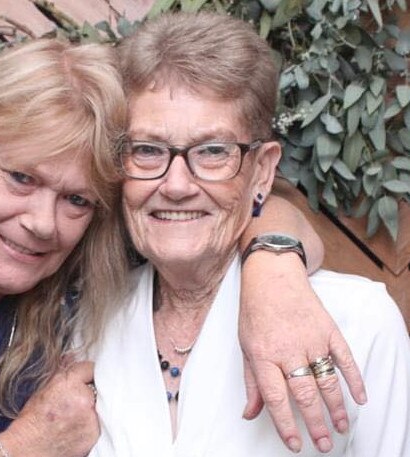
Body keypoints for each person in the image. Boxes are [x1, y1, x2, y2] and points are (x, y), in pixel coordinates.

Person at [0, 35, 353, 457]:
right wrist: (24, 445)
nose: (43, 223)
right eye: (21, 177)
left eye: (77, 200)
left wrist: (272, 271)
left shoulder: (77, 277)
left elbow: (231, 201)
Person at [88, 12, 410, 457]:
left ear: (262, 171)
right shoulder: (86, 321)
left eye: (213, 151)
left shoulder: (359, 321)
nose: (177, 185)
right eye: (147, 150)